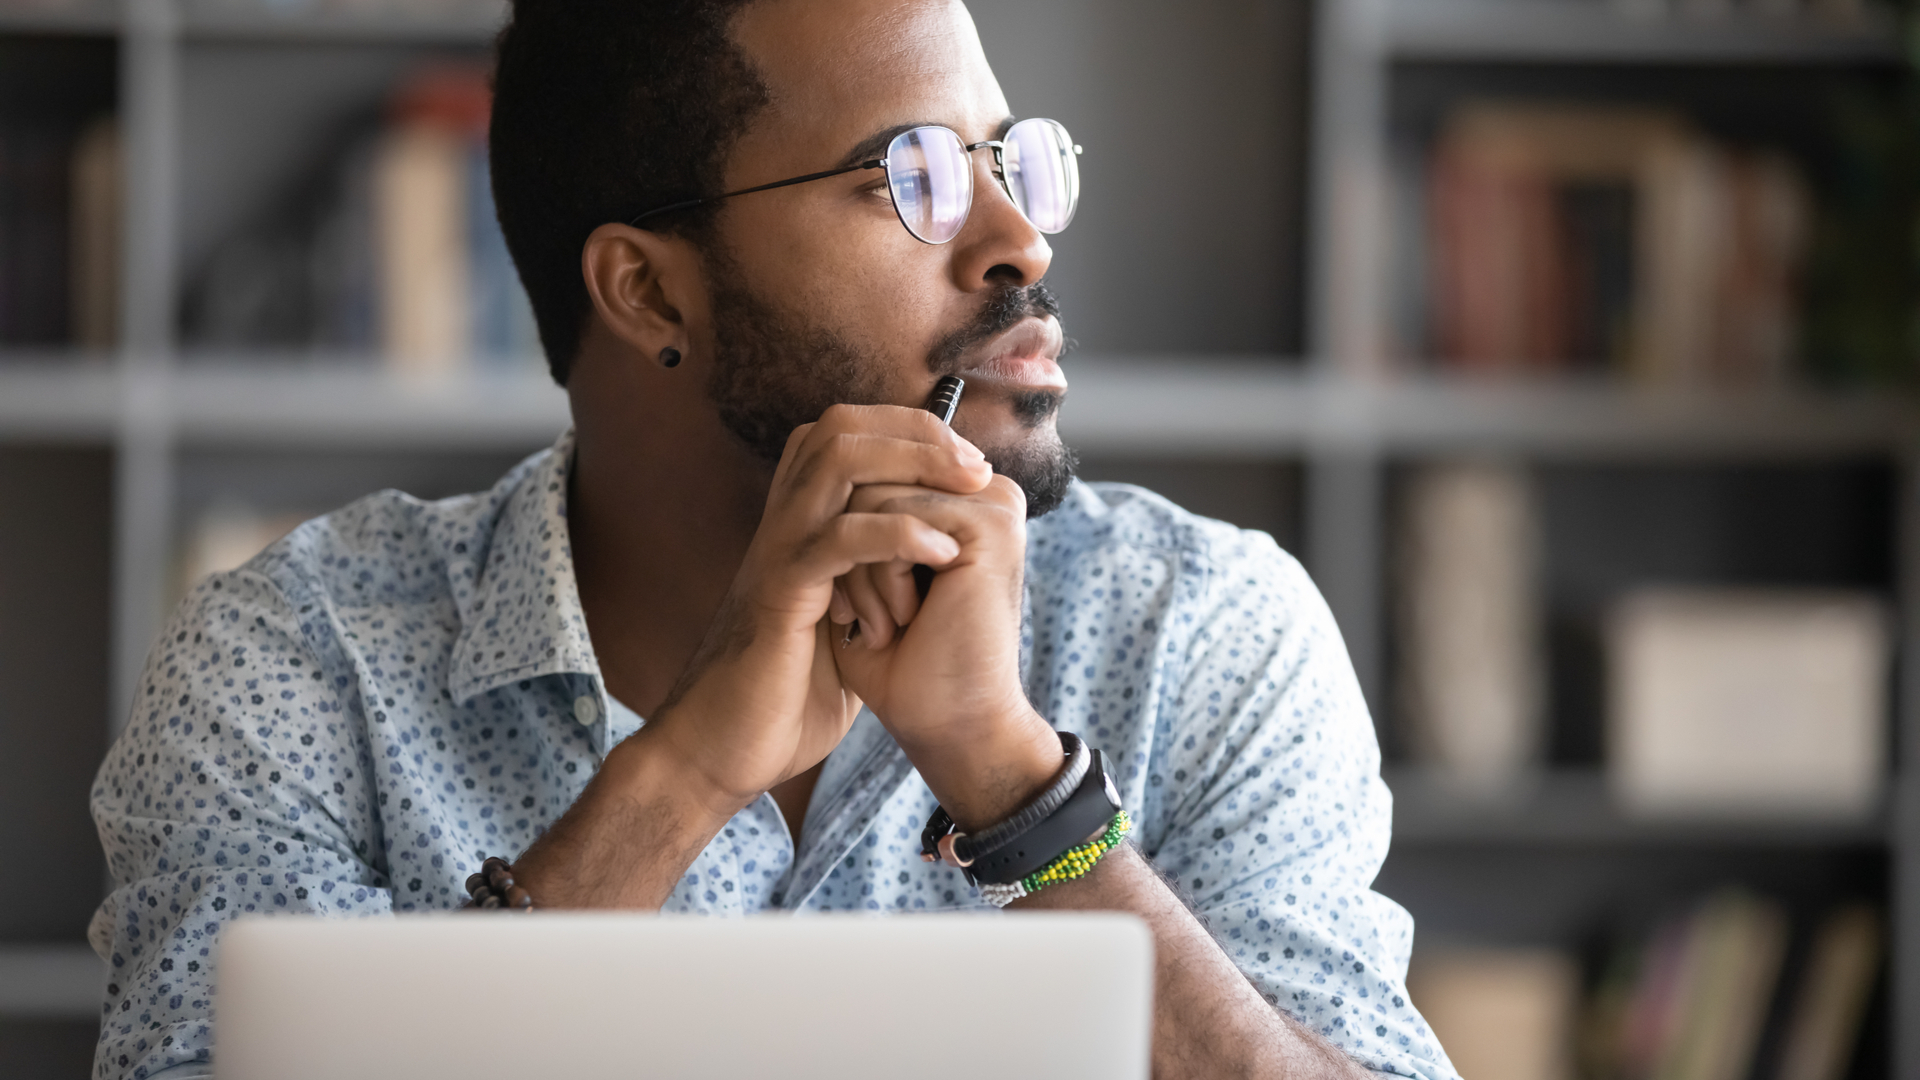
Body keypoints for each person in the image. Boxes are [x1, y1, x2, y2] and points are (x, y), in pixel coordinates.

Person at [90, 1, 1459, 1077]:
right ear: (646, 288)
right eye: (908, 175)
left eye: (1009, 161)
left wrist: (1020, 788)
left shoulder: (1202, 628)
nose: (1016, 241)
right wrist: (679, 776)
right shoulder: (301, 661)